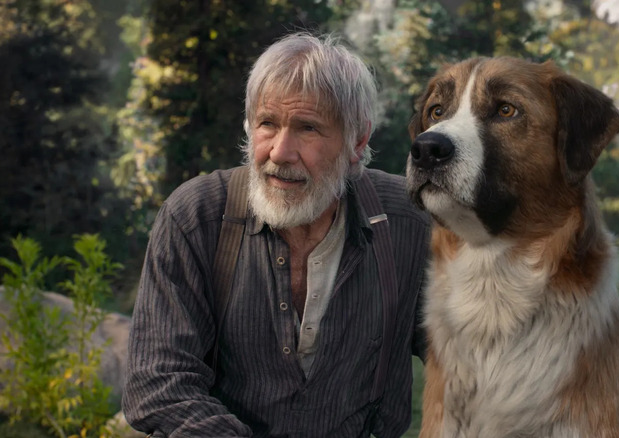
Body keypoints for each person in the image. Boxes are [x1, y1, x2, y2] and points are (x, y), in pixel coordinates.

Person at [122, 32, 431, 437]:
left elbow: (467, 360)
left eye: (308, 128)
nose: (279, 152)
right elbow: (158, 383)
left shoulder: (406, 223)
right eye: (267, 123)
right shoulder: (197, 217)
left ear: (357, 142)